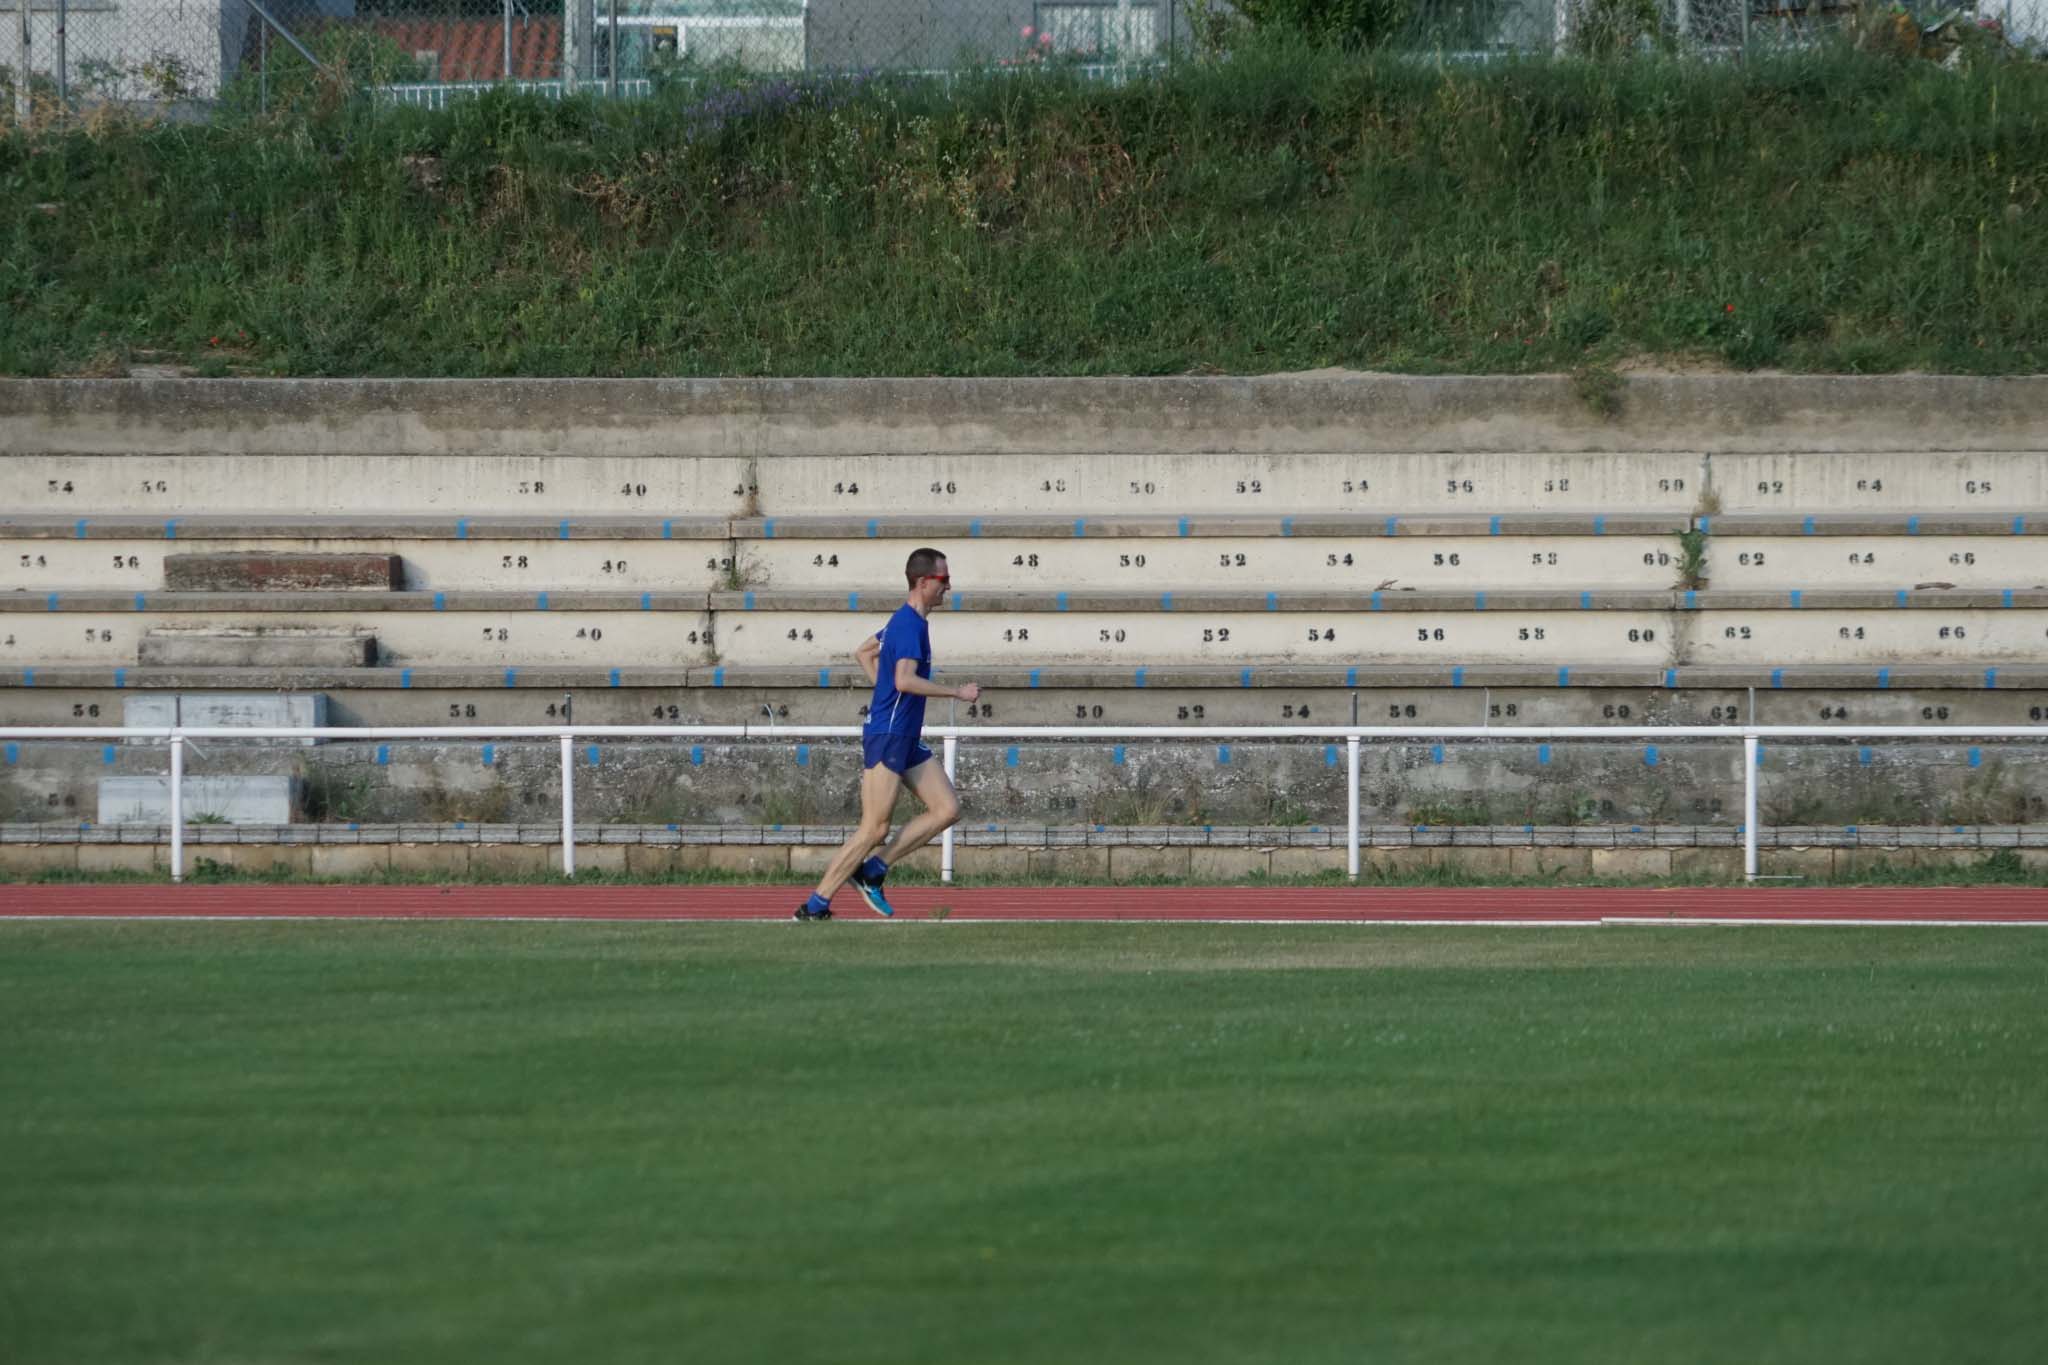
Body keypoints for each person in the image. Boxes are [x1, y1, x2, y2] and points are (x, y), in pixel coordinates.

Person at [796, 548, 981, 920]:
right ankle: (815, 904)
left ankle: (875, 870)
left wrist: (885, 696)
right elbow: (903, 679)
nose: (949, 587)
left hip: (904, 735)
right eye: (944, 581)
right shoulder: (909, 625)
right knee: (874, 828)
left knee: (947, 809)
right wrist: (956, 693)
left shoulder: (905, 622)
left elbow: (865, 652)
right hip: (890, 735)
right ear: (923, 581)